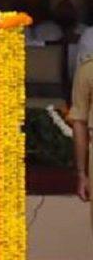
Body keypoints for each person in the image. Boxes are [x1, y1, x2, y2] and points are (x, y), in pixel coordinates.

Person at [70, 56, 93, 211]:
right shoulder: (88, 69)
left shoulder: (88, 68)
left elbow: (80, 121)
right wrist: (81, 173)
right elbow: (79, 122)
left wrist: (81, 173)